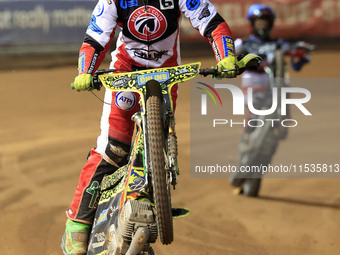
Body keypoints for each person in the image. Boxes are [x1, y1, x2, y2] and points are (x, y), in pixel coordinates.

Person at [61, 0, 238, 254]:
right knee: (113, 149)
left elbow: (211, 21)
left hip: (166, 77)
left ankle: (150, 196)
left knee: (158, 147)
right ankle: (77, 221)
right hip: (124, 75)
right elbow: (95, 38)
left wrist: (226, 57)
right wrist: (84, 71)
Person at [229, 4, 311, 194]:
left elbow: (297, 63)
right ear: (251, 23)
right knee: (252, 124)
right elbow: (229, 61)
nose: (262, 25)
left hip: (278, 90)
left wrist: (302, 54)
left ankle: (255, 172)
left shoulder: (279, 44)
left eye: (265, 22)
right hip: (254, 90)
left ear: (271, 23)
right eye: (259, 21)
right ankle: (243, 163)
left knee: (278, 133)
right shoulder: (242, 43)